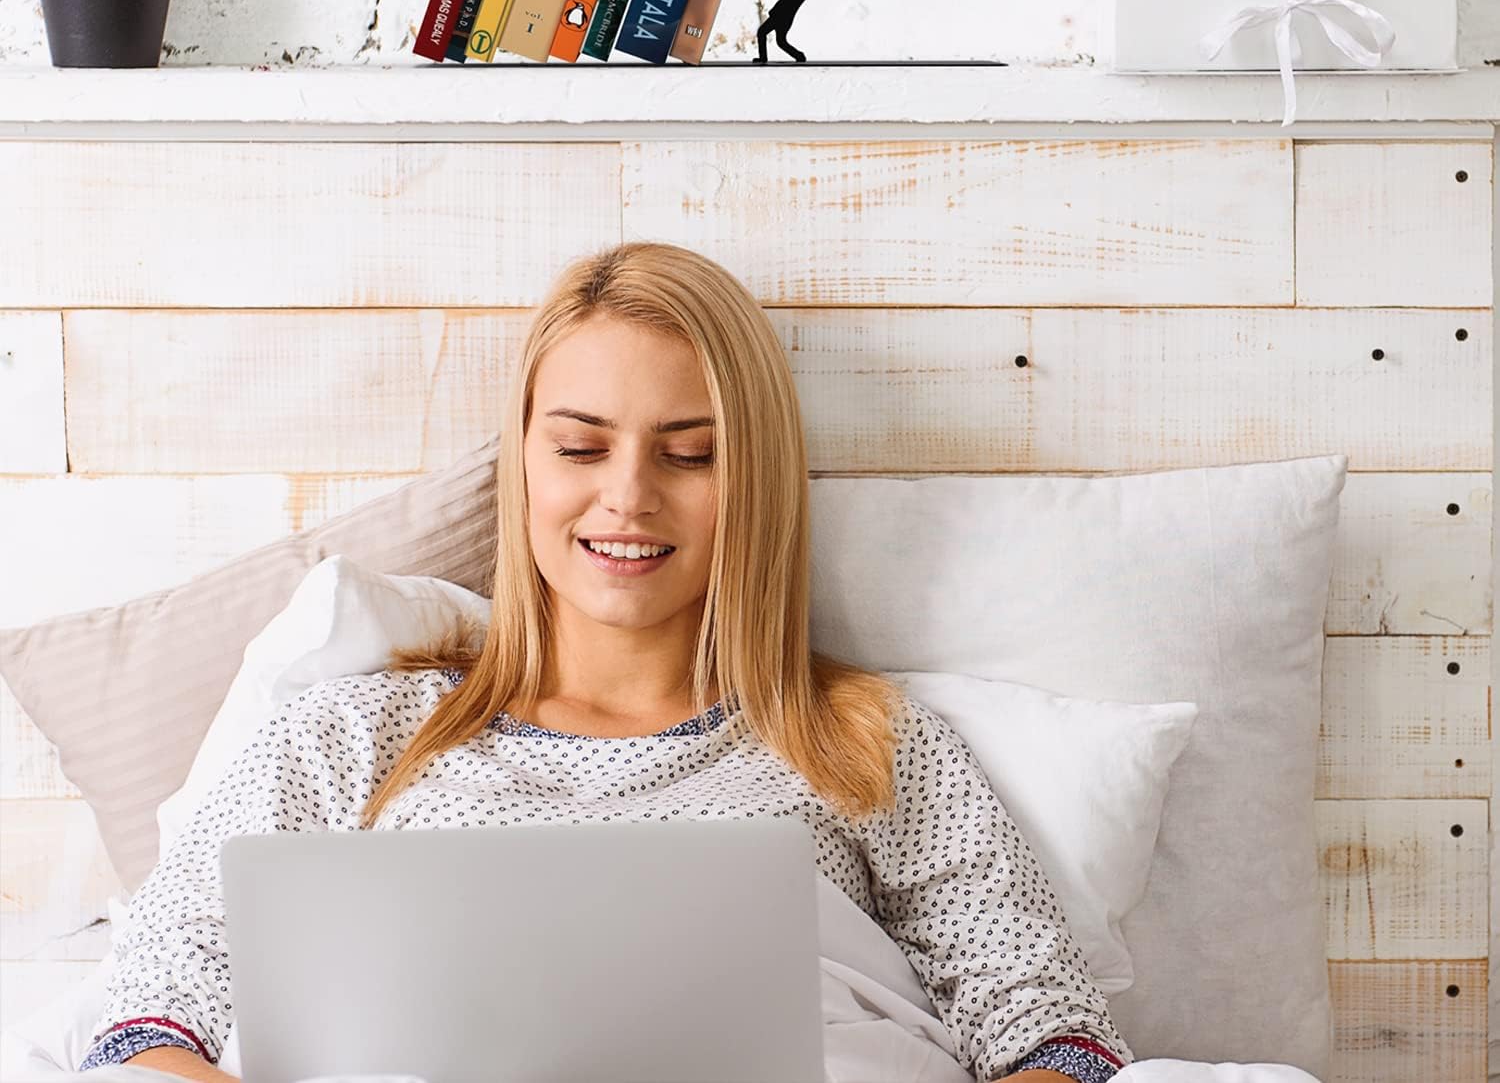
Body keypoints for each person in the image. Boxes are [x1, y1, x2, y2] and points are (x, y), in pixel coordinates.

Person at [87, 241, 1132, 1083]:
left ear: (755, 479)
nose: (628, 496)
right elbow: (145, 1017)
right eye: (581, 448)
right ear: (524, 466)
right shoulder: (349, 735)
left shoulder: (864, 744)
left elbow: (1055, 1037)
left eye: (690, 453)